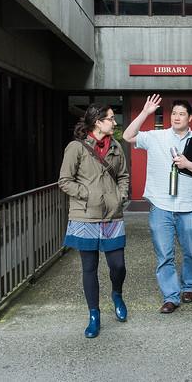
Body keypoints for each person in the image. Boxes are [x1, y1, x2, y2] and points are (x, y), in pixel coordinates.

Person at [123, 94, 192, 313]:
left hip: (188, 207)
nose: (177, 117)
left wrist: (188, 163)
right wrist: (145, 112)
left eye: (182, 114)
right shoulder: (156, 136)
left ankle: (189, 286)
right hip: (161, 206)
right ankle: (171, 296)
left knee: (191, 251)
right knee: (165, 254)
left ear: (190, 118)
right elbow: (127, 136)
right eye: (174, 113)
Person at [58, 103, 130, 338]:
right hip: (85, 216)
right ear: (98, 122)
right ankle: (94, 315)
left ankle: (117, 294)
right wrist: (88, 194)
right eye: (111, 119)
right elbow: (65, 181)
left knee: (117, 264)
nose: (115, 122)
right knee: (89, 268)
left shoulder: (117, 147)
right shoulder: (75, 148)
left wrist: (121, 195)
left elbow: (123, 176)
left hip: (112, 215)